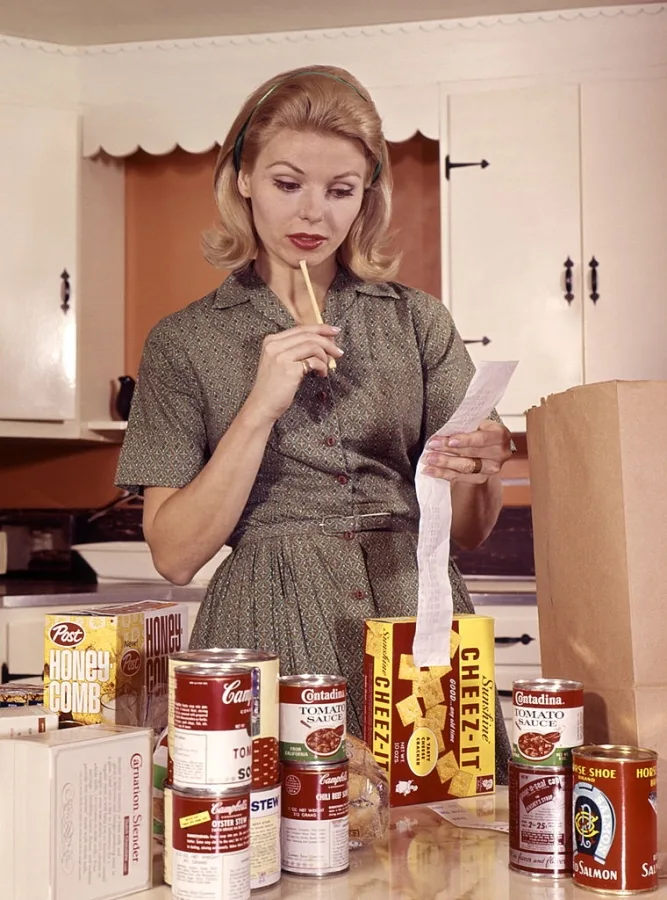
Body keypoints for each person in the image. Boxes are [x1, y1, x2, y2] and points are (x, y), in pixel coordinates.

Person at [115, 64, 513, 781]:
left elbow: (468, 532)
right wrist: (259, 407)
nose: (313, 216)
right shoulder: (183, 342)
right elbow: (173, 554)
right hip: (269, 618)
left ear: (365, 196)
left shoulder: (419, 322)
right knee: (284, 850)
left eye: (340, 191)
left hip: (414, 609)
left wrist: (482, 470)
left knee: (456, 849)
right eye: (286, 183)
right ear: (242, 178)